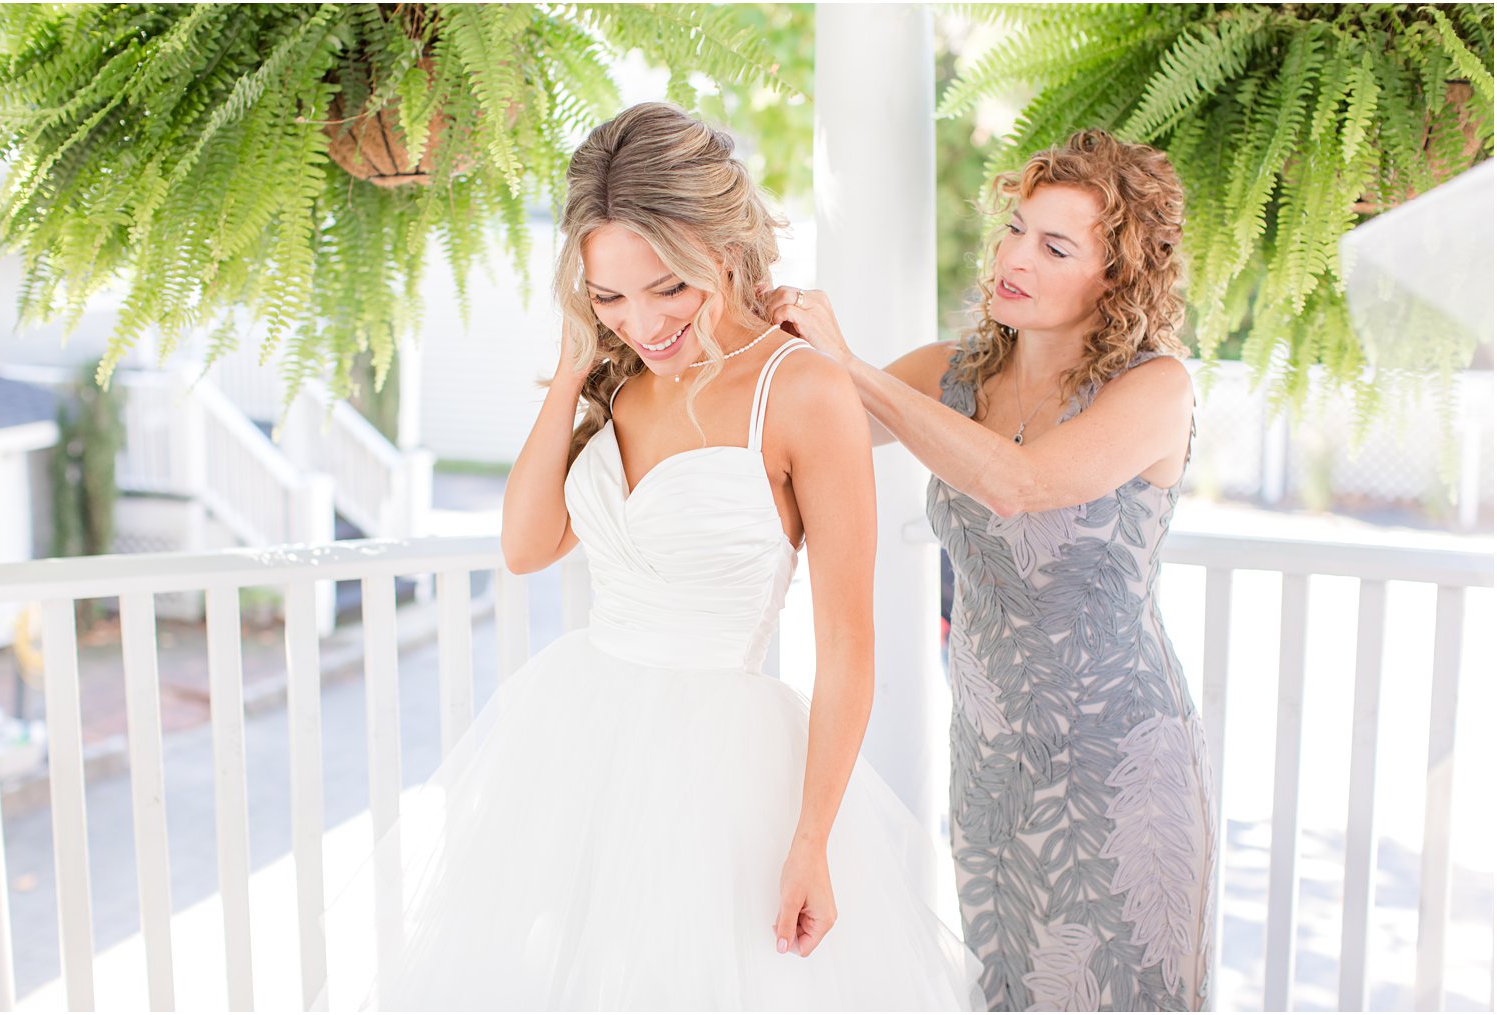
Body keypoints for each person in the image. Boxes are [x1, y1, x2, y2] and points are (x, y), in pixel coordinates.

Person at [317, 102, 980, 1010]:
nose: (643, 321)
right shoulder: (621, 369)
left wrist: (811, 838)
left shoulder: (803, 392)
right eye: (609, 294)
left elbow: (849, 648)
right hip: (581, 735)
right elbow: (524, 546)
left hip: (720, 772)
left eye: (668, 287)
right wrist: (570, 365)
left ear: (729, 246)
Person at [767, 129, 1217, 1011]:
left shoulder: (1155, 389)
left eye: (1055, 246)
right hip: (989, 767)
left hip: (1121, 769)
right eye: (1016, 228)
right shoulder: (951, 374)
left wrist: (851, 365)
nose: (1014, 256)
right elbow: (808, 416)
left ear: (1116, 277)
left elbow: (1022, 483)